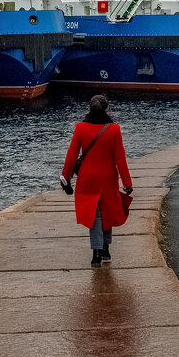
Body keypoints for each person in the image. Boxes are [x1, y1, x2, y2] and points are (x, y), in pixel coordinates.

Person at [60, 95, 133, 268]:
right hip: (108, 179)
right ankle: (106, 249)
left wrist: (66, 180)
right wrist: (127, 183)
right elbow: (120, 159)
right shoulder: (114, 129)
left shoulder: (80, 128)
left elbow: (71, 157)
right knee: (107, 212)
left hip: (87, 180)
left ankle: (96, 254)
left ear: (89, 108)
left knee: (94, 216)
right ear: (107, 108)